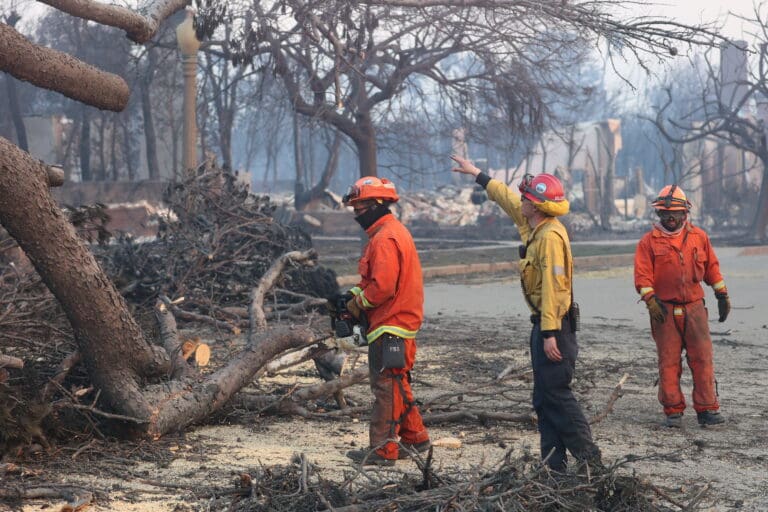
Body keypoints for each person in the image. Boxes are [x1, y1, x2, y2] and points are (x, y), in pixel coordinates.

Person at [450, 155, 602, 474]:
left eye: (526, 197)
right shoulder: (534, 226)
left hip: (555, 329)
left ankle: (590, 460)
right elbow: (506, 199)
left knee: (557, 396)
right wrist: (479, 175)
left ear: (536, 205)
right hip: (544, 327)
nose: (521, 201)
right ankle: (553, 467)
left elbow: (555, 289)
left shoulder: (549, 237)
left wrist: (549, 333)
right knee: (543, 399)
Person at [340, 176, 431, 466]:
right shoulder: (389, 233)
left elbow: (382, 288)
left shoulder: (385, 239)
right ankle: (416, 438)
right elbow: (373, 281)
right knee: (397, 382)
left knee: (385, 389)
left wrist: (358, 304)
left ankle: (382, 450)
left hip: (391, 325)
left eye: (361, 207)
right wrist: (352, 294)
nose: (357, 214)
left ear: (378, 205)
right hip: (397, 324)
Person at [634, 185, 730, 428]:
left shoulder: (699, 237)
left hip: (695, 309)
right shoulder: (648, 243)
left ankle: (707, 410)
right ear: (658, 214)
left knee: (703, 359)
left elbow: (712, 269)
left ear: (685, 213)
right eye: (665, 213)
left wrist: (721, 294)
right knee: (668, 361)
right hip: (663, 311)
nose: (670, 217)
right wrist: (651, 301)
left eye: (675, 212)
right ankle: (673, 411)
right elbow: (642, 276)